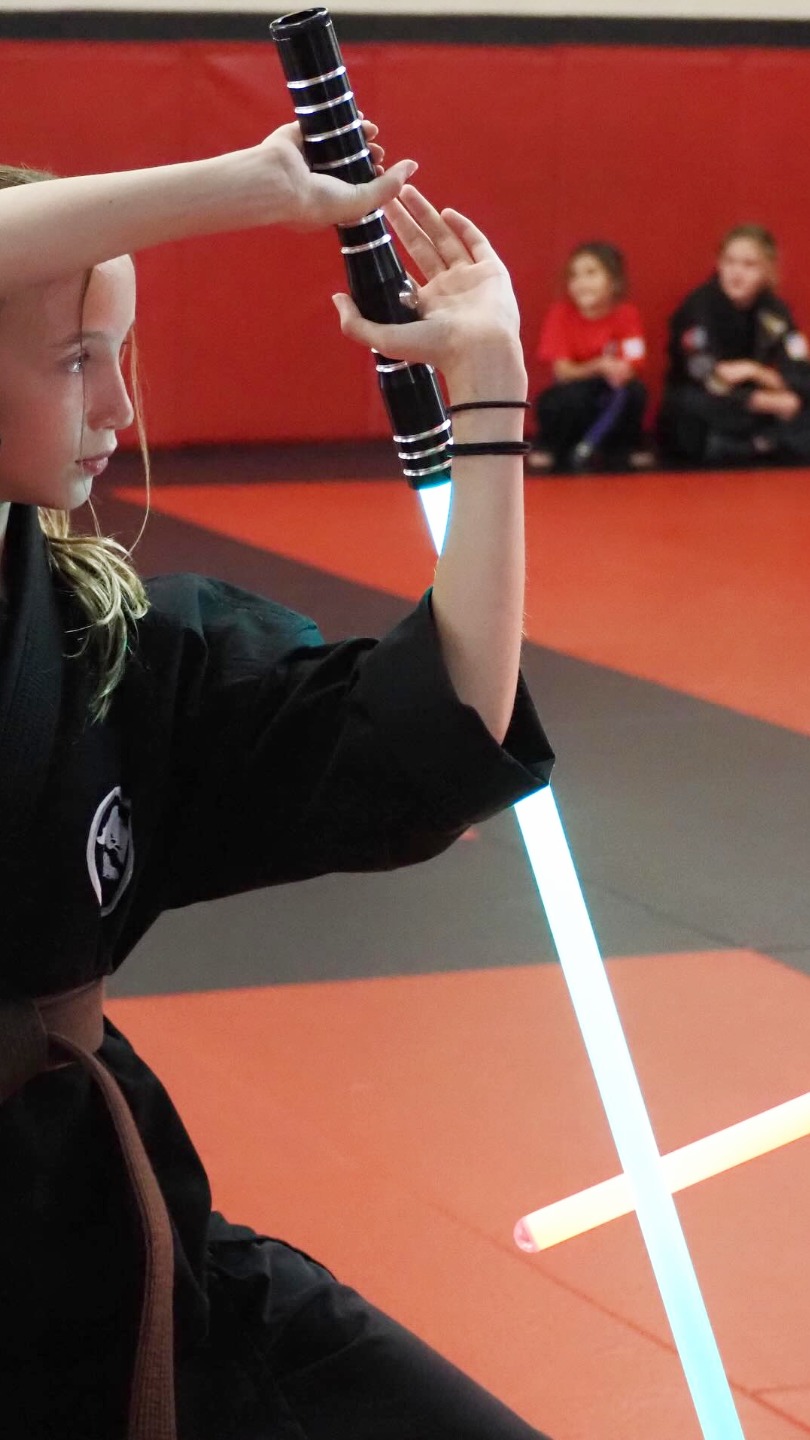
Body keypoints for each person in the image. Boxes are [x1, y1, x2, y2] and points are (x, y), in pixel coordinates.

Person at [0, 123, 556, 1440]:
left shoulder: (111, 647)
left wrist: (488, 403)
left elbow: (433, 730)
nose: (118, 412)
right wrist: (249, 187)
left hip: (107, 1244)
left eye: (120, 359)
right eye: (76, 361)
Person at [659, 223, 810, 467]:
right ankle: (759, 446)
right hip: (717, 404)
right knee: (688, 405)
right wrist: (760, 400)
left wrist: (756, 371)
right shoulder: (699, 306)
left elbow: (801, 372)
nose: (736, 273)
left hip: (759, 409)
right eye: (729, 263)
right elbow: (702, 372)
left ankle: (750, 447)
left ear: (768, 271)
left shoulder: (776, 312)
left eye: (749, 265)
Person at [526, 241, 653, 474]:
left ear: (613, 281)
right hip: (577, 389)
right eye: (574, 276)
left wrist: (621, 371)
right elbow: (563, 371)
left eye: (591, 274)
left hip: (612, 391)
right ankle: (554, 448)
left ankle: (622, 449)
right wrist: (599, 366)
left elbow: (634, 361)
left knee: (635, 393)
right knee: (555, 401)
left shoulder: (626, 314)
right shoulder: (561, 315)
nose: (581, 283)